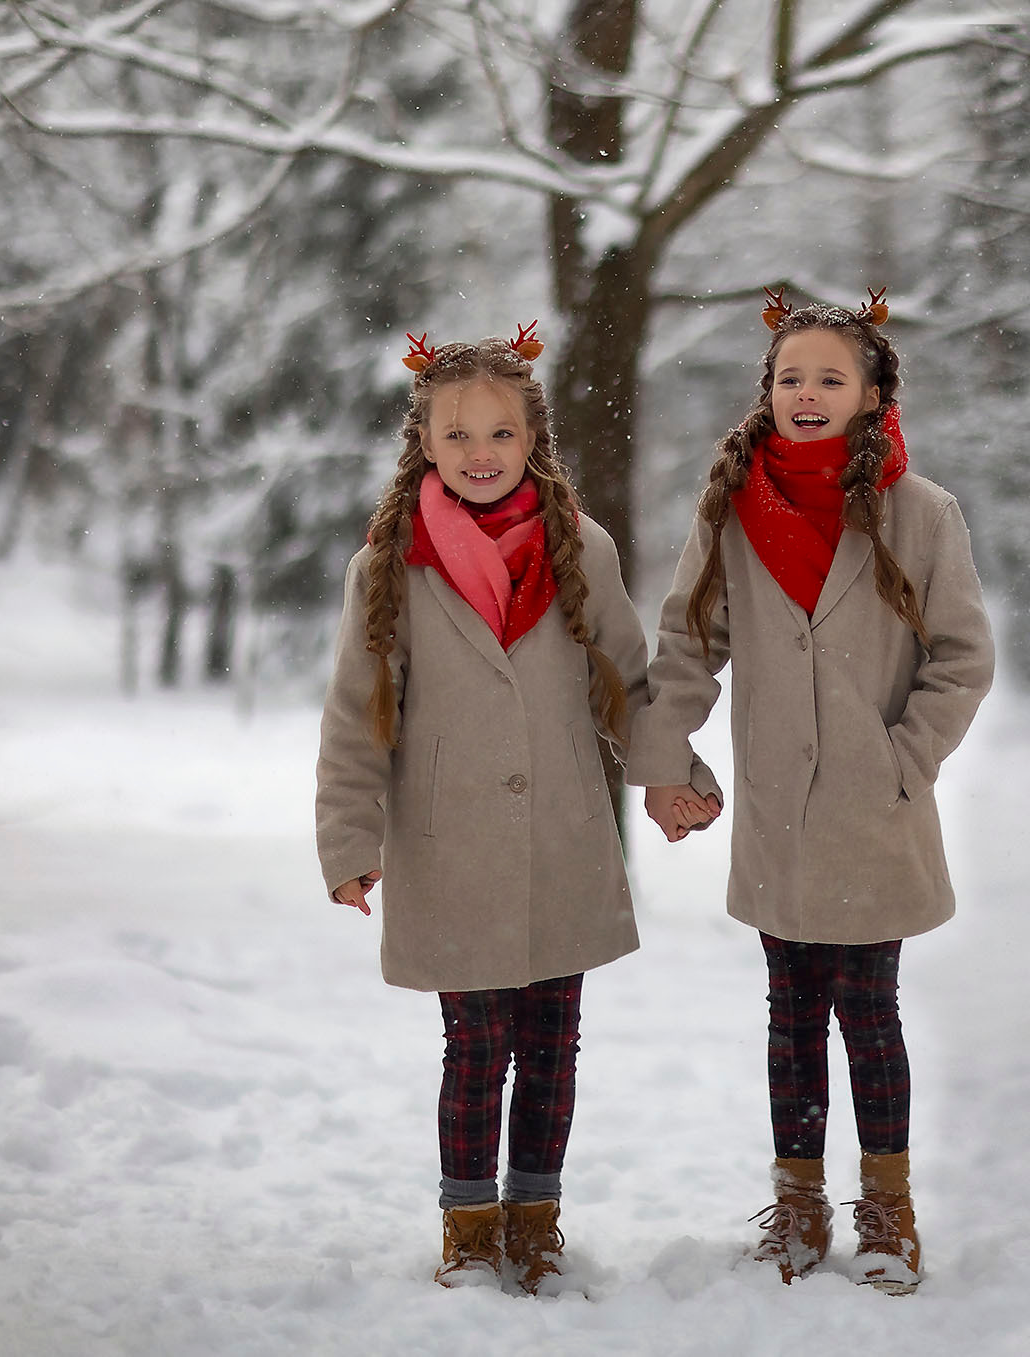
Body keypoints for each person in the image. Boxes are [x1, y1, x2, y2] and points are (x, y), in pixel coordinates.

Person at [628, 288, 994, 1293]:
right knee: (791, 1012)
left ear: (873, 394)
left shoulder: (922, 514)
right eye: (791, 376)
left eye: (831, 377)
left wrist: (904, 759)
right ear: (768, 391)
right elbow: (688, 642)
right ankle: (797, 1203)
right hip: (779, 812)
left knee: (868, 1011)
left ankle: (887, 1209)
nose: (807, 392)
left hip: (877, 812)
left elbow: (962, 658)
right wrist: (664, 758)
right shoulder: (732, 510)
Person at [315, 326, 695, 1295]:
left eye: (499, 433)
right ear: (424, 444)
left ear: (533, 441)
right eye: (456, 434)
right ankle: (470, 1227)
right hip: (452, 844)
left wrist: (667, 775)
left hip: (563, 834)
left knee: (554, 1046)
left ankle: (535, 1218)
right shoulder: (388, 567)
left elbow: (628, 683)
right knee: (477, 1046)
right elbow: (357, 716)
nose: (479, 452)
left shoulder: (582, 549)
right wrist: (349, 838)